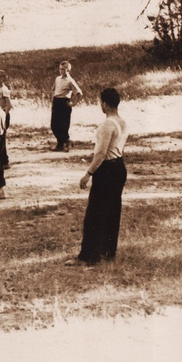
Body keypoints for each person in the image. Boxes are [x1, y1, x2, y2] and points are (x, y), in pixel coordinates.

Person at [73, 87, 128, 265]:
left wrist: (88, 174)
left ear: (104, 104)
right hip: (119, 166)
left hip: (107, 170)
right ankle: (107, 252)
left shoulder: (107, 125)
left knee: (95, 213)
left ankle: (88, 256)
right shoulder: (123, 122)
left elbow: (101, 154)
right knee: (112, 211)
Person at [50, 60, 83, 151]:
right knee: (54, 125)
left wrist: (73, 103)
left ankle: (62, 144)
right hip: (56, 101)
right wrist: (53, 98)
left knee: (63, 125)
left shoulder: (70, 81)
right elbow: (53, 89)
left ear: (68, 70)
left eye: (64, 70)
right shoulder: (57, 78)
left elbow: (79, 93)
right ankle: (65, 141)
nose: (61, 71)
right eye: (60, 69)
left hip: (64, 103)